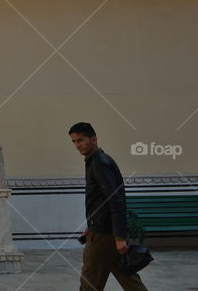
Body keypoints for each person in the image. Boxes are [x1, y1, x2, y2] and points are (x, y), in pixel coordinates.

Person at [69, 122, 149, 291]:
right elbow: (101, 201)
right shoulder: (96, 160)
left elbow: (115, 200)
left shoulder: (99, 162)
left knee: (90, 280)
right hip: (103, 230)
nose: (77, 145)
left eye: (81, 140)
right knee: (127, 276)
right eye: (74, 142)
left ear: (94, 139)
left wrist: (119, 237)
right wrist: (91, 224)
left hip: (104, 235)